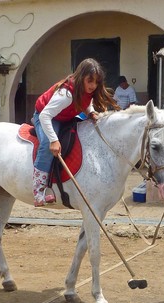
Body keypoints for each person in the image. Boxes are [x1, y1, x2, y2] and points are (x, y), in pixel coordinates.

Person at [32, 58, 117, 207]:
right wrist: (53, 140)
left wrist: (90, 113)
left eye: (96, 82)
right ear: (81, 77)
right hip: (45, 116)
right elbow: (46, 115)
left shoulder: (87, 90)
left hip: (65, 116)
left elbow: (86, 102)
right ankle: (38, 192)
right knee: (46, 145)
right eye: (90, 81)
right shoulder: (66, 94)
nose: (93, 86)